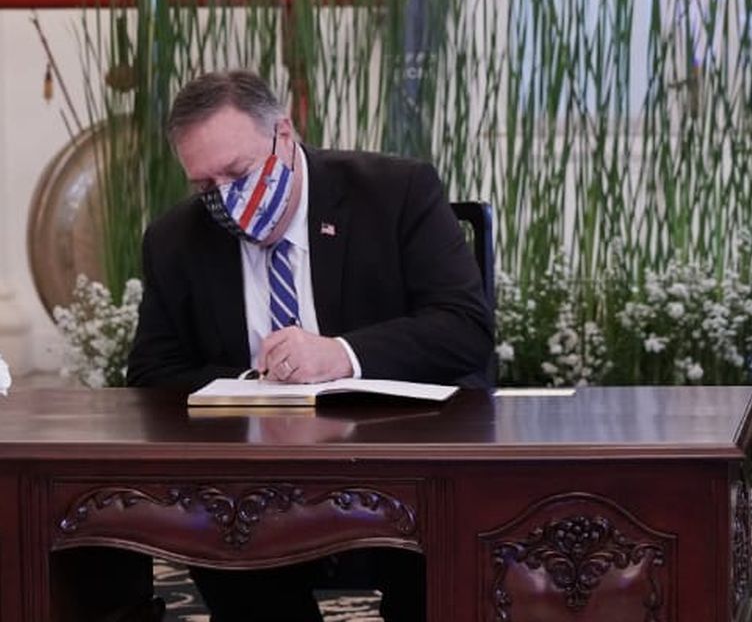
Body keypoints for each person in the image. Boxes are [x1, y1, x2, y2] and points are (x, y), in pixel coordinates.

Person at [125, 69, 494, 621]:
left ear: (285, 134)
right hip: (252, 476)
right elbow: (152, 373)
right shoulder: (175, 240)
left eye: (238, 172)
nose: (226, 197)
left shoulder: (395, 192)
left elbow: (465, 328)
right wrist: (251, 384)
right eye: (205, 186)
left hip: (400, 460)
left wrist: (339, 354)